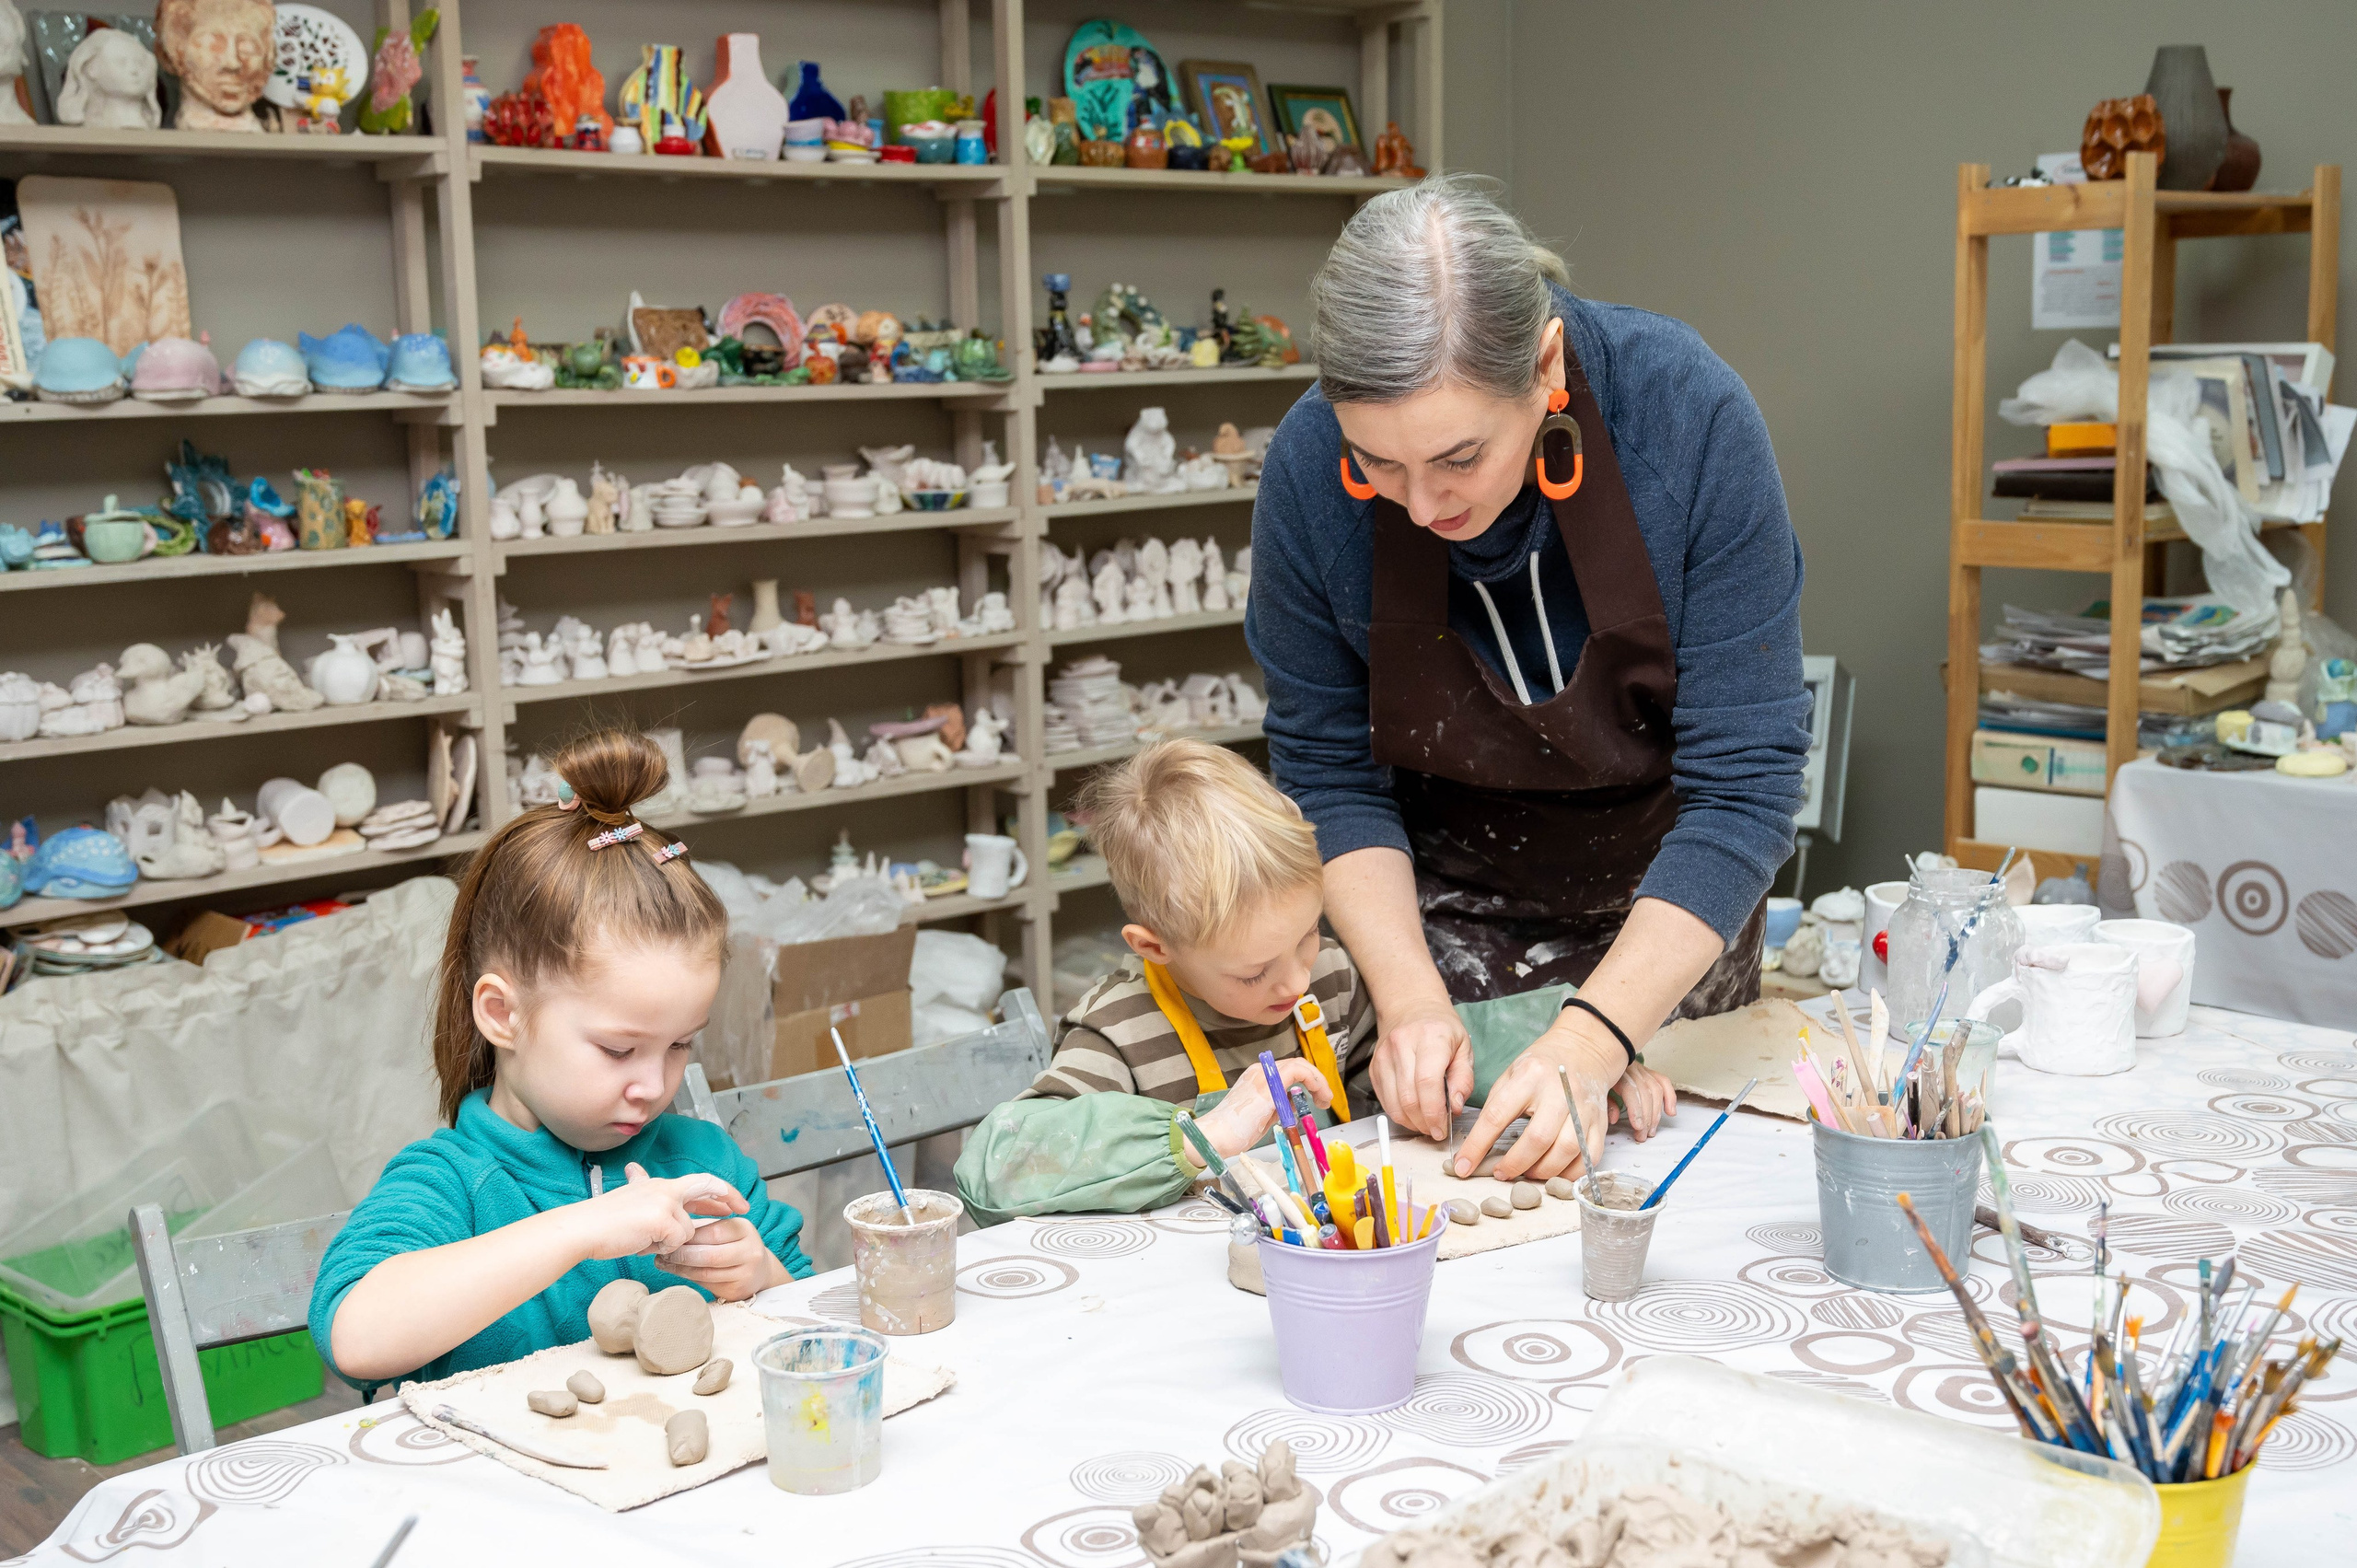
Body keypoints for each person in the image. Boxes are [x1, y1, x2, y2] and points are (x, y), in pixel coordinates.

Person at [1247, 173, 1811, 1186]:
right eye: (1376, 464)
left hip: (1669, 910)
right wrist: (1412, 999)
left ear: (1544, 363)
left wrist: (1596, 1036)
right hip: (1439, 919)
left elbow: (1745, 786)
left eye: (1458, 456)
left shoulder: (1684, 418)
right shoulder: (1303, 469)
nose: (1419, 505)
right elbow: (1330, 775)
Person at [309, 731, 813, 1391]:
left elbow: (813, 1324)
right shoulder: (453, 1182)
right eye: (617, 1049)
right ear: (503, 1015)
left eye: (681, 1043)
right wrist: (585, 1228)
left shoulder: (706, 1166)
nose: (655, 1085)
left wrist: (761, 1277)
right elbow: (355, 1335)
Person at [955, 740, 1374, 1224]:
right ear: (1153, 947)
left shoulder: (1331, 977)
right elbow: (996, 1173)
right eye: (1253, 972)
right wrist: (1203, 1137)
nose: (1296, 982)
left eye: (1307, 935)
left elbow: (1386, 1107)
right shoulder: (1118, 1029)